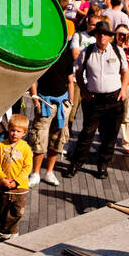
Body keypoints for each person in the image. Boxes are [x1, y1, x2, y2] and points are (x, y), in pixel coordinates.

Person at [63, 21, 129, 180]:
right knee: (87, 134)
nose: (102, 36)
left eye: (105, 34)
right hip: (94, 100)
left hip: (114, 99)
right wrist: (84, 91)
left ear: (109, 37)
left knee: (110, 135)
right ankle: (76, 164)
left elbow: (125, 71)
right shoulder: (86, 53)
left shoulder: (117, 51)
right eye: (99, 33)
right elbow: (78, 74)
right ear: (95, 36)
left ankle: (103, 166)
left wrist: (124, 88)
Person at [27, 37, 76, 187]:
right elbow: (32, 79)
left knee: (57, 139)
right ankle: (35, 173)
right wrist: (36, 102)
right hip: (44, 102)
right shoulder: (42, 55)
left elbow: (70, 81)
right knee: (39, 138)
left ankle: (49, 172)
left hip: (62, 103)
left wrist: (70, 103)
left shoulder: (67, 57)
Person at [0, 114, 32, 240]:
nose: (14, 134)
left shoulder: (25, 148)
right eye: (12, 130)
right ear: (8, 129)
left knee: (17, 212)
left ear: (24, 133)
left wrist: (16, 181)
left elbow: (27, 167)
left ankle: (12, 231)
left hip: (20, 188)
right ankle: (3, 231)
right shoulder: (1, 145)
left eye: (18, 131)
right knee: (4, 212)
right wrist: (3, 178)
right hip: (5, 187)